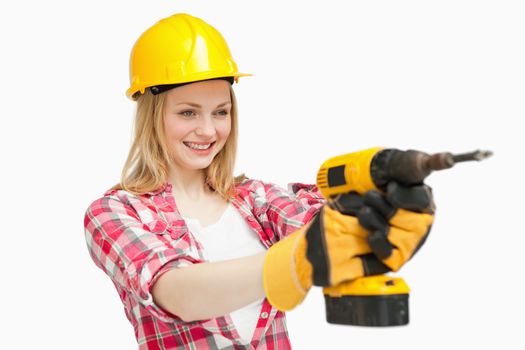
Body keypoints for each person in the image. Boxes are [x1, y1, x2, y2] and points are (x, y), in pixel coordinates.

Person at [83, 13, 435, 350]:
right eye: (188, 112)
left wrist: (383, 216)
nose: (208, 130)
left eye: (221, 112)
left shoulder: (255, 200)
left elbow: (322, 226)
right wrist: (299, 257)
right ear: (151, 115)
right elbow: (177, 293)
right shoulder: (113, 214)